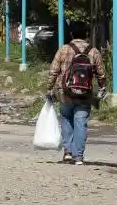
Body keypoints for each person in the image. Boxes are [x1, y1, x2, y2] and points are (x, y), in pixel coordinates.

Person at [45, 21, 107, 165]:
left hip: (65, 92)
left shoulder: (63, 49)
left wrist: (49, 88)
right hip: (85, 94)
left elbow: (53, 71)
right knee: (81, 122)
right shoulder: (93, 51)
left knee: (66, 119)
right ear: (87, 35)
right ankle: (78, 156)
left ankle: (68, 152)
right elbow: (101, 74)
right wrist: (103, 88)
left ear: (71, 34)